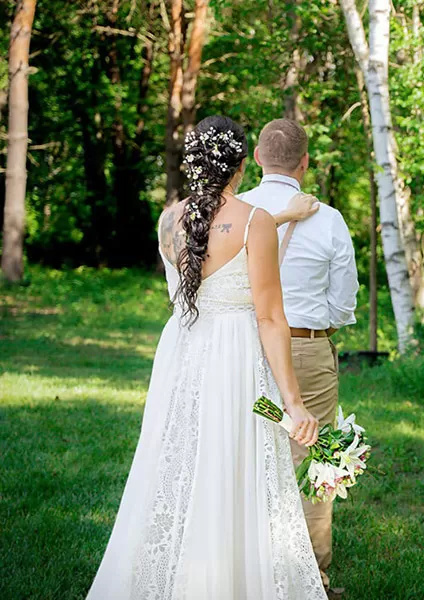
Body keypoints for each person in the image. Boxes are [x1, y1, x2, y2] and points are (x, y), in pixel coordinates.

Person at [86, 115, 327, 600]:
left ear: (194, 162)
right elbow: (270, 319)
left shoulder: (168, 219)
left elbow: (200, 266)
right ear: (242, 165)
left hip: (181, 355)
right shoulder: (255, 222)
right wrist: (294, 404)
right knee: (237, 459)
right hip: (235, 363)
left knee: (176, 460)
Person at [240, 118, 358, 596]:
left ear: (256, 160)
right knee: (315, 457)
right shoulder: (327, 218)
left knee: (248, 448)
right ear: (305, 164)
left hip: (245, 349)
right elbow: (344, 303)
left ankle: (246, 565)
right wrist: (316, 323)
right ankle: (313, 577)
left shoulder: (239, 209)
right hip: (307, 352)